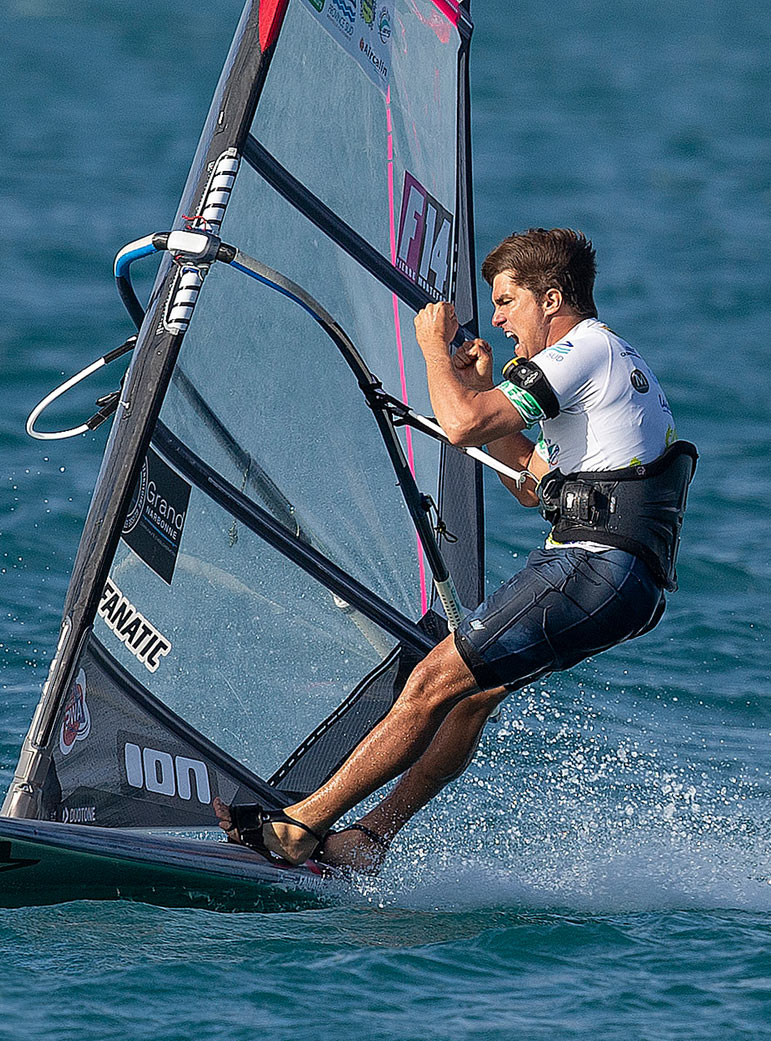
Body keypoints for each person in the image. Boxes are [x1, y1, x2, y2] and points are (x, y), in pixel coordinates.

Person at [216, 228, 695, 871]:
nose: (497, 320)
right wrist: (480, 383)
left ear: (552, 299)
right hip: (623, 584)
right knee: (469, 696)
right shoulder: (609, 363)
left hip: (590, 567)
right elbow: (531, 481)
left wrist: (431, 351)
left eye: (507, 302)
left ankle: (300, 826)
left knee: (432, 680)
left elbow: (462, 424)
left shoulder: (583, 350)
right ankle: (369, 839)